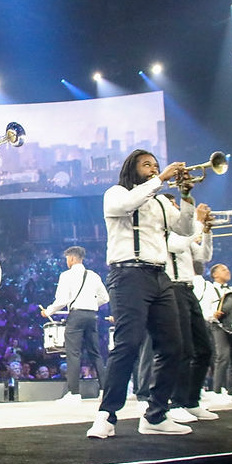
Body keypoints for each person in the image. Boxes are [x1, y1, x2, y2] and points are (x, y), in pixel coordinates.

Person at [87, 149, 194, 439]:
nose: (153, 168)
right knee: (128, 344)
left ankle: (156, 415)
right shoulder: (115, 193)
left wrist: (185, 197)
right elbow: (126, 206)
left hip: (160, 276)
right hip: (128, 275)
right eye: (146, 164)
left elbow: (184, 228)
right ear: (132, 169)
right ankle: (106, 415)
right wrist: (160, 178)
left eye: (156, 165)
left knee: (173, 346)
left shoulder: (160, 201)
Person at [161, 195, 217, 423]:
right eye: (173, 204)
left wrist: (207, 231)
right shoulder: (165, 232)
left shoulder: (185, 231)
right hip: (172, 289)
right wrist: (197, 222)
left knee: (204, 349)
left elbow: (204, 257)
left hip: (188, 288)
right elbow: (176, 245)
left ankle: (192, 401)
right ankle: (176, 402)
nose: (177, 207)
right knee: (183, 349)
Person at [40, 246, 109, 403]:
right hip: (92, 315)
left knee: (73, 354)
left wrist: (48, 312)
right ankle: (104, 390)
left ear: (71, 258)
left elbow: (62, 300)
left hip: (76, 315)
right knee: (95, 353)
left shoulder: (66, 276)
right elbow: (105, 298)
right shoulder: (94, 275)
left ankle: (74, 393)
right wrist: (92, 304)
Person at [202, 264, 232, 401]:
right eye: (223, 270)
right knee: (223, 356)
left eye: (227, 269)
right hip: (217, 325)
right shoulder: (210, 289)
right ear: (214, 274)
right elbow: (204, 309)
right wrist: (213, 315)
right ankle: (217, 390)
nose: (227, 271)